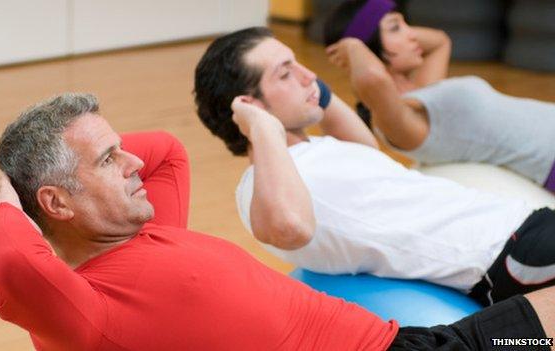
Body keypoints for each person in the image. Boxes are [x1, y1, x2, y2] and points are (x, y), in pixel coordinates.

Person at [0, 92, 555, 350]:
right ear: (56, 204)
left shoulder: (149, 229)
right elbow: (11, 260)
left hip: (406, 338)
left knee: (533, 327)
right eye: (110, 160)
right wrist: (10, 191)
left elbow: (165, 150)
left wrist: (73, 171)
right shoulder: (87, 312)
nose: (133, 162)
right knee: (528, 330)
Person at [193, 27, 555, 307]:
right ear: (249, 106)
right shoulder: (263, 187)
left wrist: (298, 84)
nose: (308, 76)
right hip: (507, 258)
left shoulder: (316, 149)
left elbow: (365, 146)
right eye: (285, 74)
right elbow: (289, 229)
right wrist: (260, 127)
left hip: (530, 225)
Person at [323, 0, 555, 191]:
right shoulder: (400, 121)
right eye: (396, 28)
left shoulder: (423, 89)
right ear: (368, 47)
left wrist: (389, 23)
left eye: (406, 24)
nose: (412, 35)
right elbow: (373, 79)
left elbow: (439, 41)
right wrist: (353, 45)